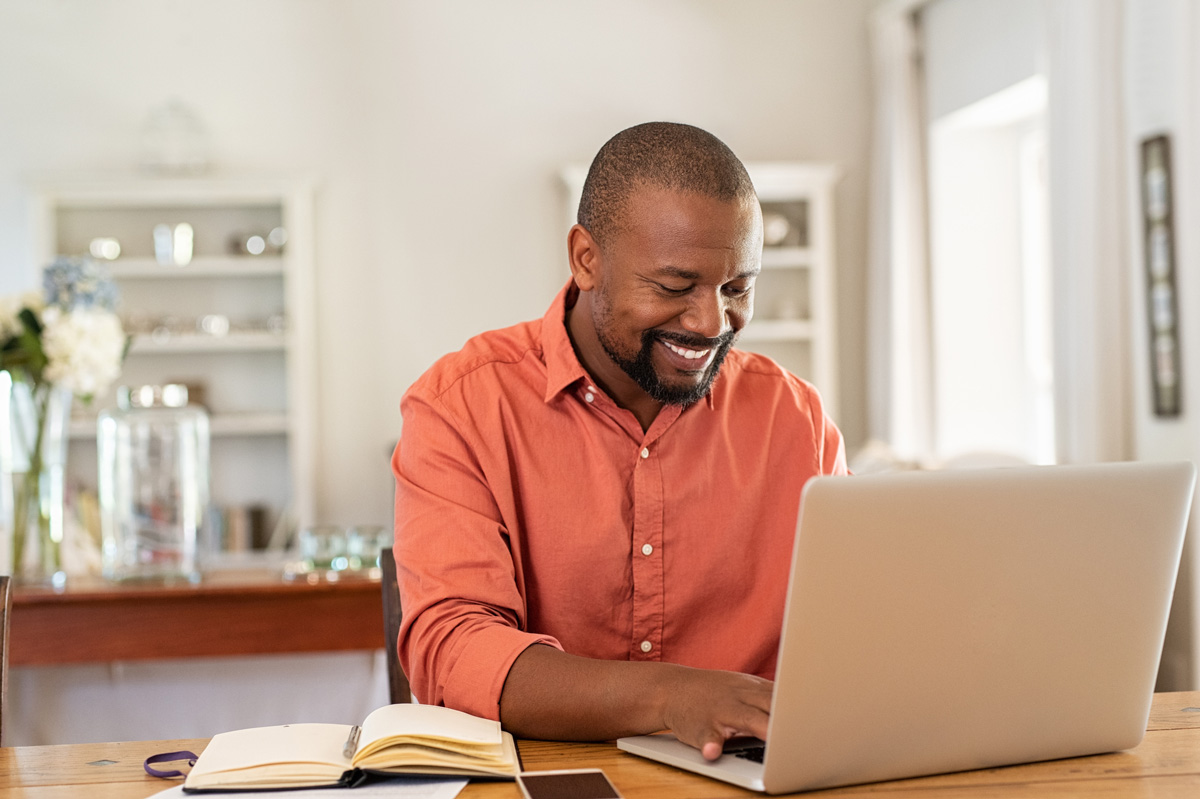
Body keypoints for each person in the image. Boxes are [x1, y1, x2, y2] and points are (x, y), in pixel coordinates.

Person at [393, 121, 847, 760]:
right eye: (674, 286)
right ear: (586, 259)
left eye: (737, 288)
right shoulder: (460, 406)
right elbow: (455, 649)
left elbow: (851, 633)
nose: (712, 322)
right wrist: (670, 696)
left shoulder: (795, 419)